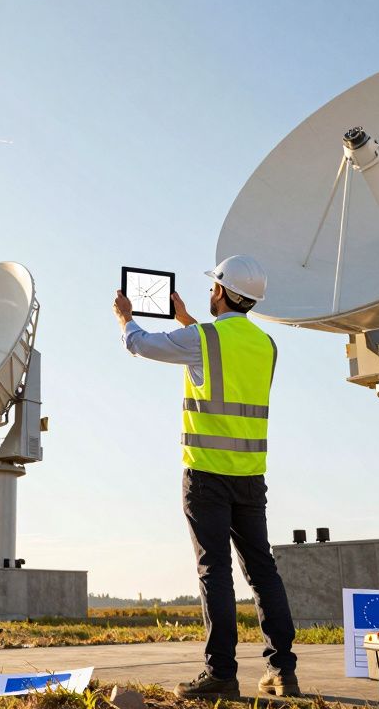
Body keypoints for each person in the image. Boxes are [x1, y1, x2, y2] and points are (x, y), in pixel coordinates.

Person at [112, 254, 300, 699]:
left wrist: (125, 319)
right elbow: (221, 357)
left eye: (213, 286)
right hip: (251, 475)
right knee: (262, 570)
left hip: (207, 476)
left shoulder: (201, 339)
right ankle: (282, 671)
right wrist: (188, 321)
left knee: (214, 571)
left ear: (220, 291)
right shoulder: (266, 345)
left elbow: (140, 345)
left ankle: (221, 675)